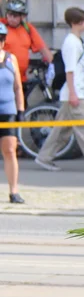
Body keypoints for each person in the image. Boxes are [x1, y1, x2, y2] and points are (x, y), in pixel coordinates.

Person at [34, 7, 84, 173]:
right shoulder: (71, 43)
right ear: (75, 23)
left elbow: (83, 70)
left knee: (61, 131)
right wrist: (73, 93)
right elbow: (70, 70)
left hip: (75, 92)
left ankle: (44, 157)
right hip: (75, 93)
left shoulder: (77, 41)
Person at [0, 23, 25, 203]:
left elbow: (17, 87)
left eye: (1, 38)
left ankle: (13, 191)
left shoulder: (11, 59)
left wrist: (21, 110)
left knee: (10, 151)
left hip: (7, 111)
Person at [4, 0, 52, 84]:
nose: (11, 18)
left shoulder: (28, 29)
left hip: (21, 78)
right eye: (9, 15)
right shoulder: (2, 26)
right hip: (3, 76)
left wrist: (53, 64)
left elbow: (41, 46)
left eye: (15, 16)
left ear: (22, 17)